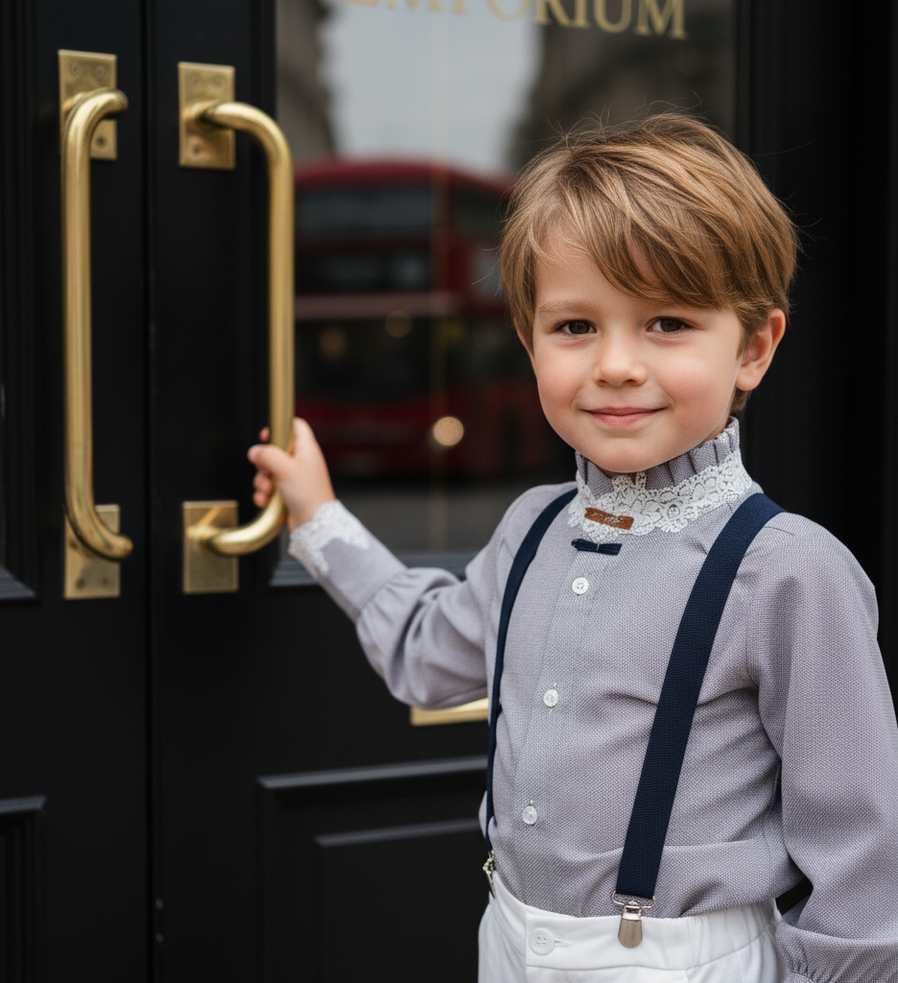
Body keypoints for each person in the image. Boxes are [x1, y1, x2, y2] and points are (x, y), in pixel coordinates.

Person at [249, 114, 898, 982]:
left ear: (752, 347)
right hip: (511, 940)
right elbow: (428, 654)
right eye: (575, 327)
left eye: (667, 322)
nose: (617, 364)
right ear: (527, 339)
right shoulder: (531, 528)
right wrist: (319, 518)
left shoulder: (786, 569)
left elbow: (861, 853)